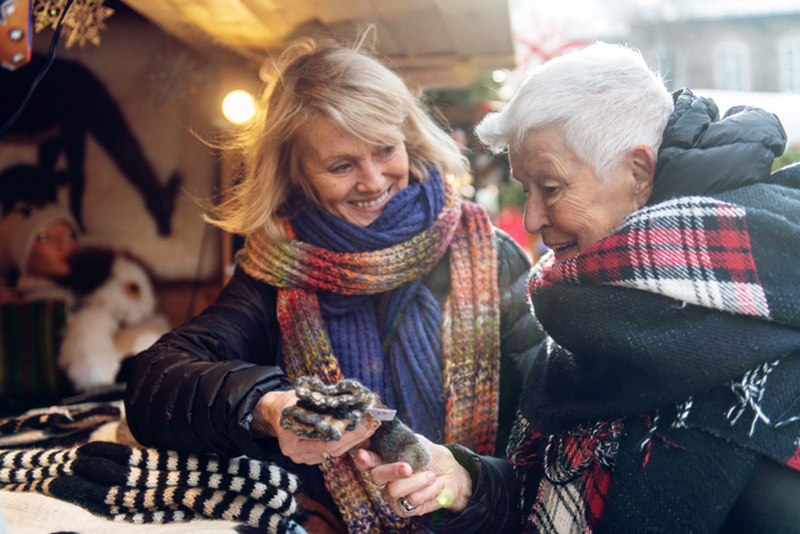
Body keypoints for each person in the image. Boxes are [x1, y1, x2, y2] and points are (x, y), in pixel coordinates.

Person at [354, 42, 800, 533]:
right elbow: (547, 491)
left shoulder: (771, 325)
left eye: (550, 187)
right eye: (527, 189)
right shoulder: (590, 302)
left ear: (638, 171)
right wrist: (470, 484)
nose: (531, 218)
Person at [124, 32, 539, 533]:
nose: (373, 180)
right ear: (295, 173)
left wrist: (470, 483)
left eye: (386, 149)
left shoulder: (492, 256)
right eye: (341, 166)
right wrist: (269, 408)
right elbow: (155, 384)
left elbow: (545, 455)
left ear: (407, 136)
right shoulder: (274, 273)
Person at [0, 201, 80, 305]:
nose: (65, 245)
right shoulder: (12, 307)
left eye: (70, 236)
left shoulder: (89, 292)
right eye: (45, 237)